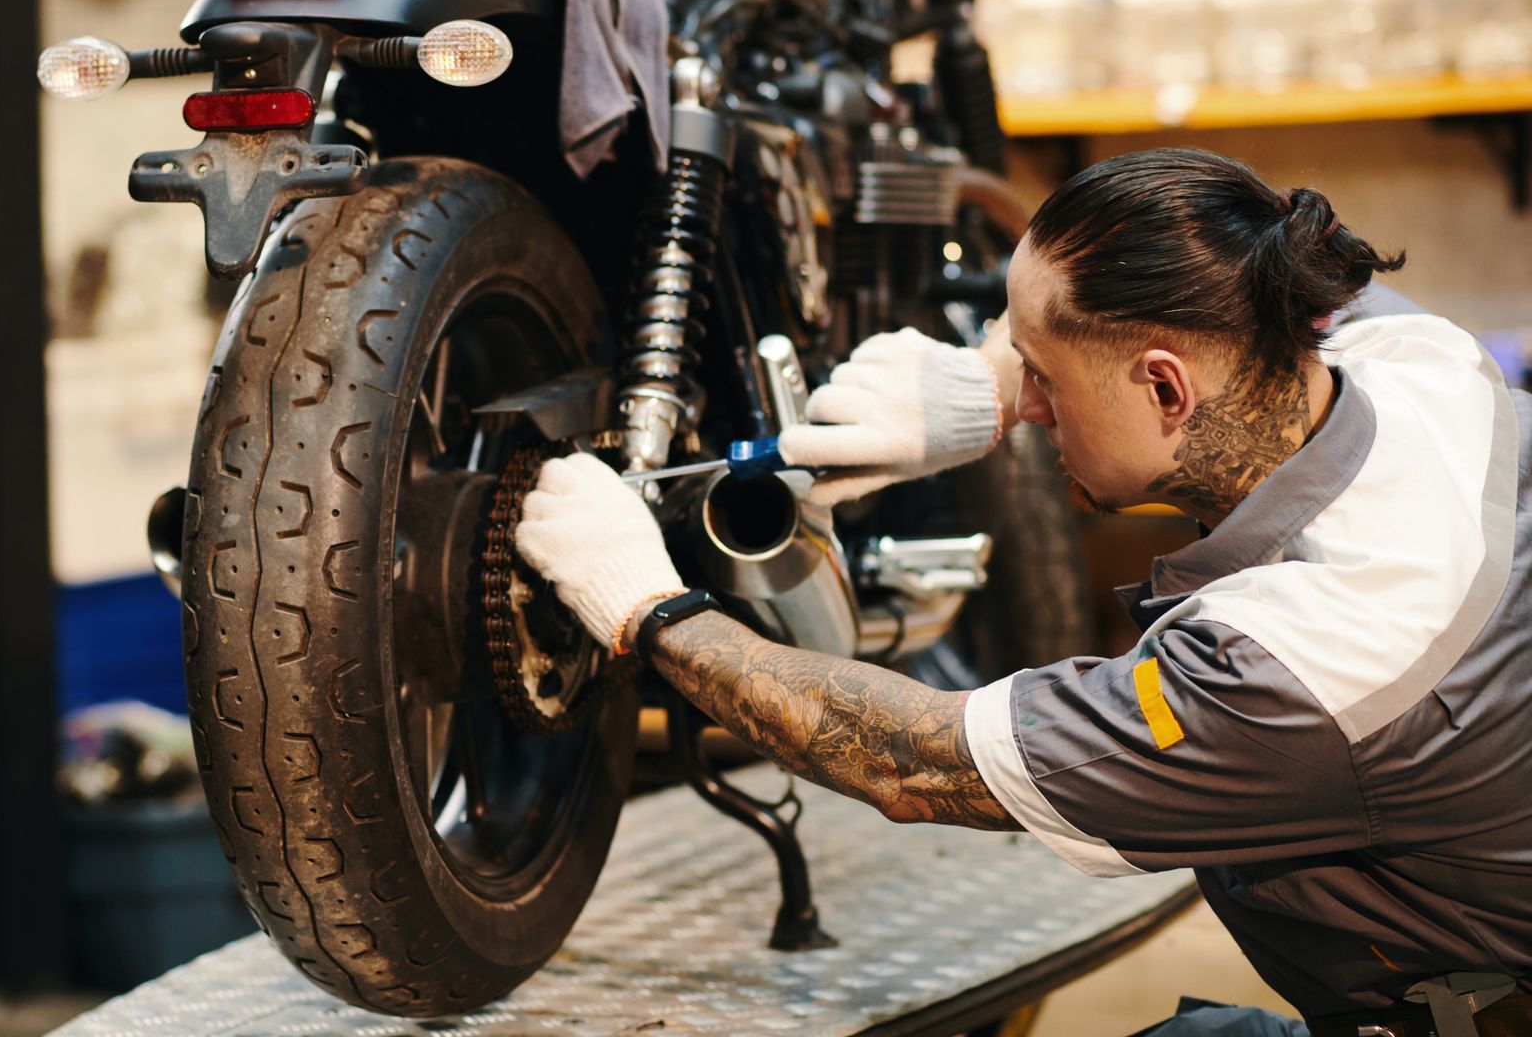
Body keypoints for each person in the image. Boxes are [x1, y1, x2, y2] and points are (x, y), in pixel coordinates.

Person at [515, 147, 1532, 1036]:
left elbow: (914, 762)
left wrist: (647, 605)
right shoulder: (1414, 361)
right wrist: (992, 375)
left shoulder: (1310, 663)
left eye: (1048, 378)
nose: (1035, 411)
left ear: (1167, 388)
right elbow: (1236, 249)